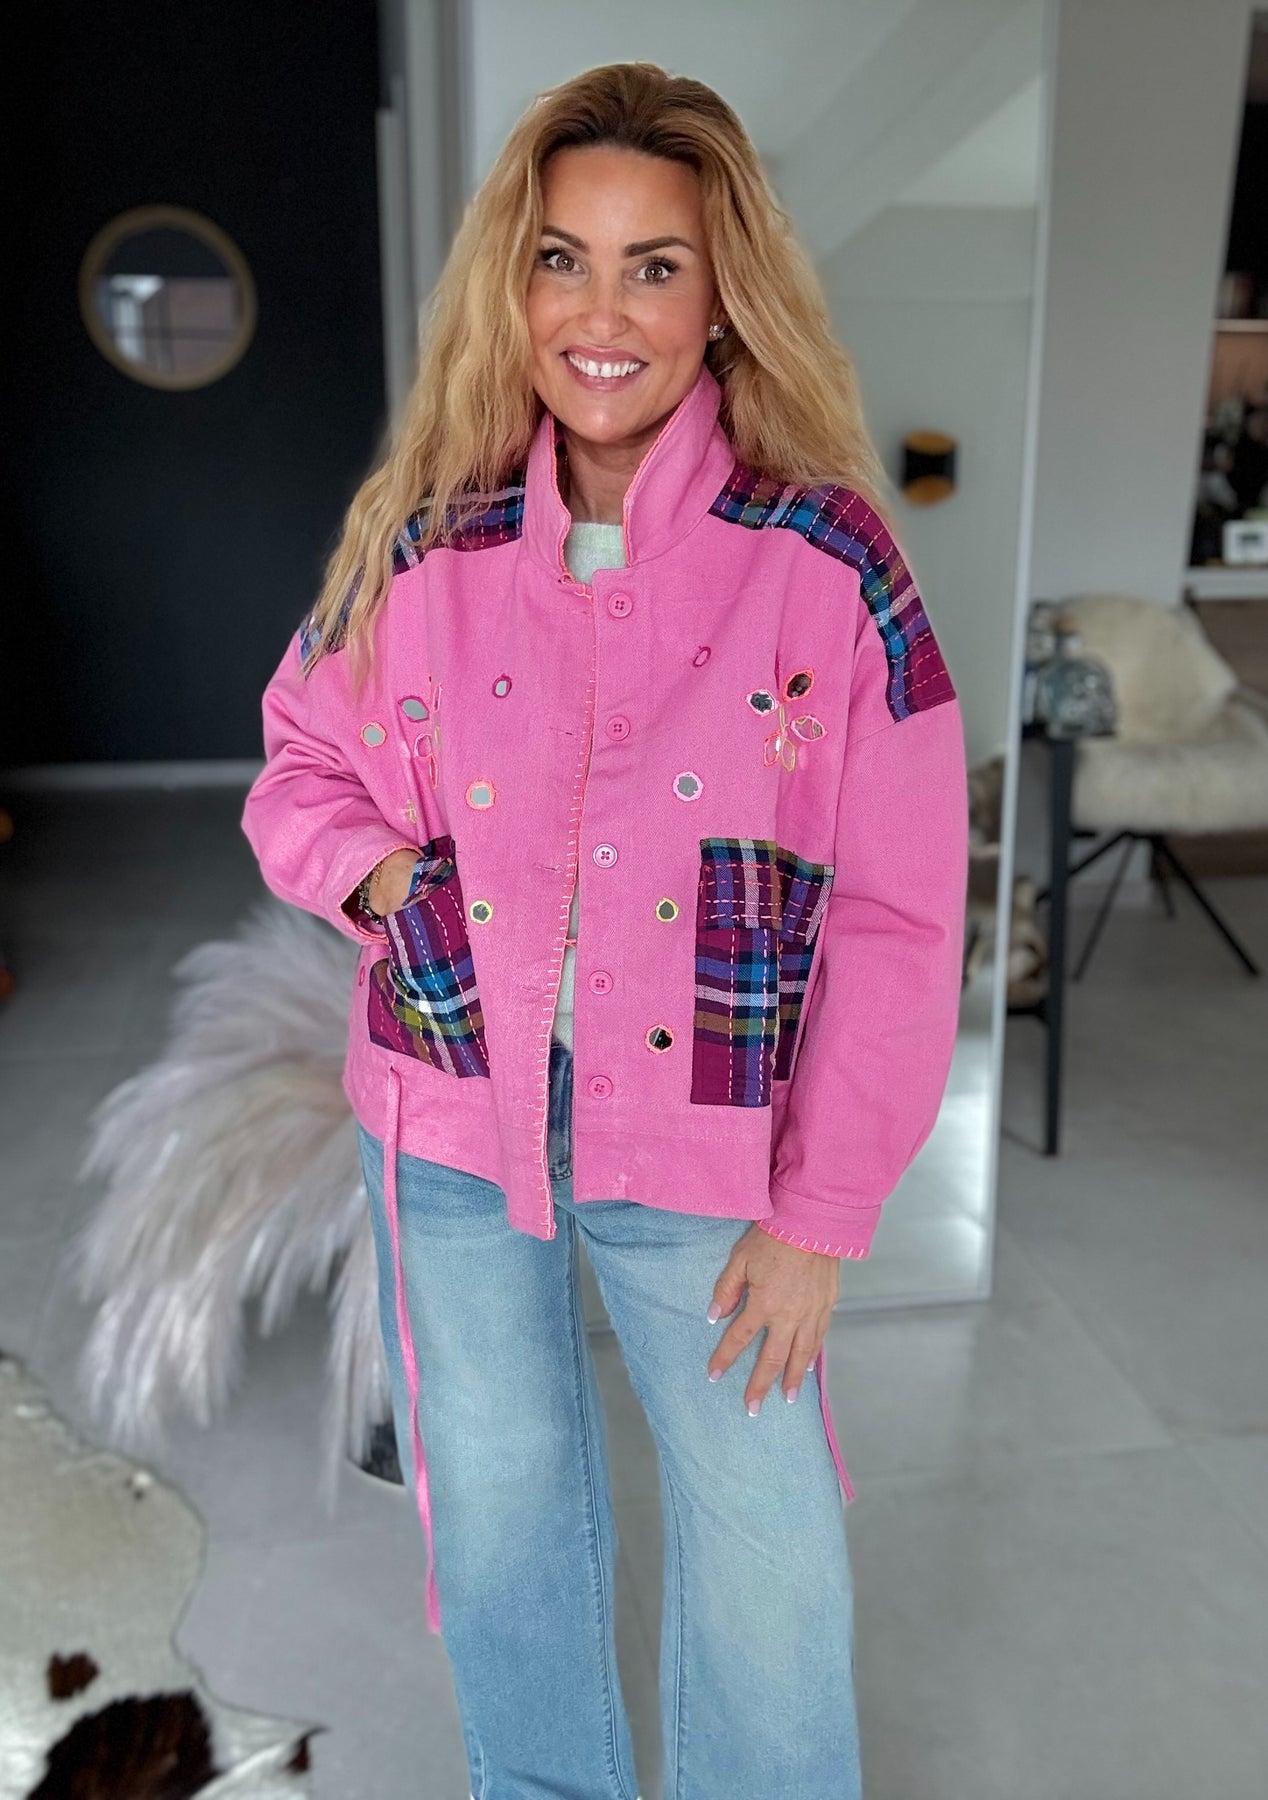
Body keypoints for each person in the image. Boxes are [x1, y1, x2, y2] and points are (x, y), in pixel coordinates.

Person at [241, 60, 967, 1800]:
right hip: (445, 1119)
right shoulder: (426, 539)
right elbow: (295, 765)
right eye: (563, 259)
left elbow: (897, 910)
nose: (602, 312)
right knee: (502, 1524)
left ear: (724, 299)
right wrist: (382, 881)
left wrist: (823, 1211)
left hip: (709, 1143)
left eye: (656, 266)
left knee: (770, 1555)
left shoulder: (827, 563)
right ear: (515, 283)